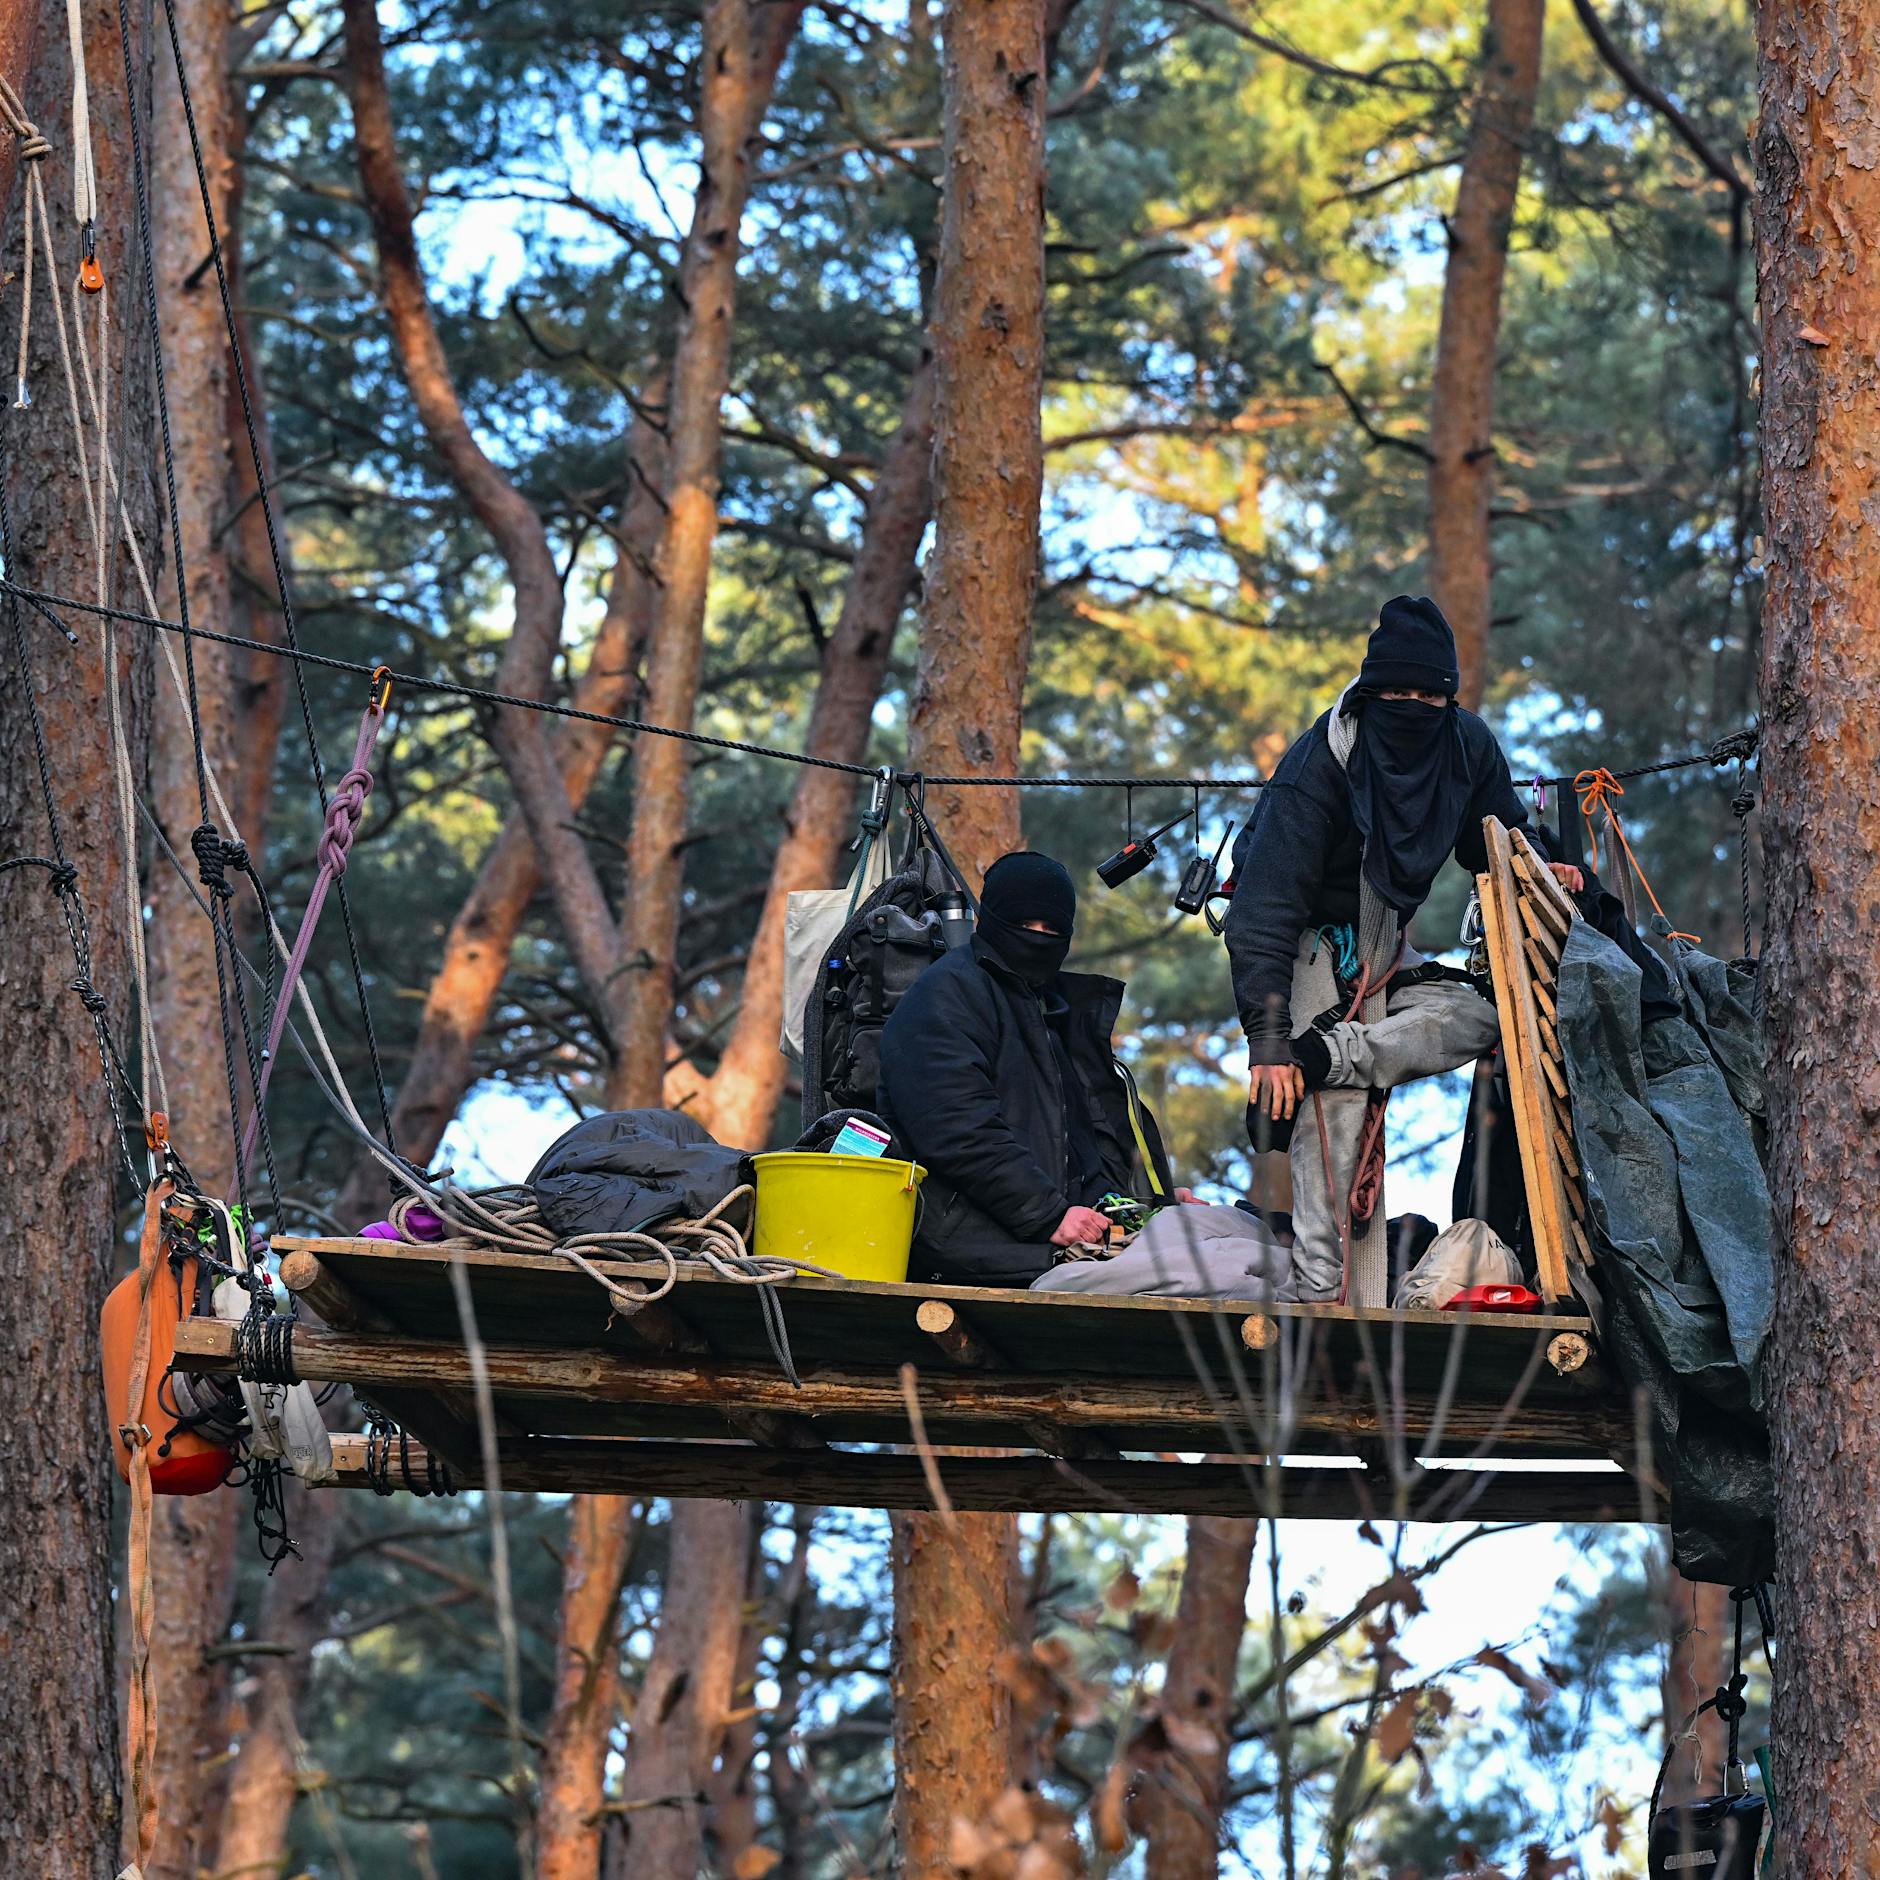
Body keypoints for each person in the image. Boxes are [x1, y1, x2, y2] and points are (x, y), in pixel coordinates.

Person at [1223, 594, 1584, 1303]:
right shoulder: (1317, 768)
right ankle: (1318, 1293)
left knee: (1486, 1018)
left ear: (1449, 697)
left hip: (1388, 944)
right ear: (1369, 692)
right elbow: (1263, 913)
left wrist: (1542, 864)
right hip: (1305, 943)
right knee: (1336, 1111)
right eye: (1397, 692)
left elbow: (1499, 836)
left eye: (1430, 693)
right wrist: (1268, 1042)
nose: (1413, 705)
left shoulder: (1465, 746)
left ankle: (1326, 1053)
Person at [876, 850, 1174, 1287]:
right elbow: (958, 1129)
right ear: (990, 919)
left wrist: (1146, 1206)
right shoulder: (947, 995)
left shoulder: (1054, 1012)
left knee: (1236, 1237)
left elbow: (1086, 1149)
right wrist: (1048, 1215)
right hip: (968, 1245)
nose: (1038, 938)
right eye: (1024, 924)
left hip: (1046, 1245)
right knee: (1220, 1274)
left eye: (1052, 929)